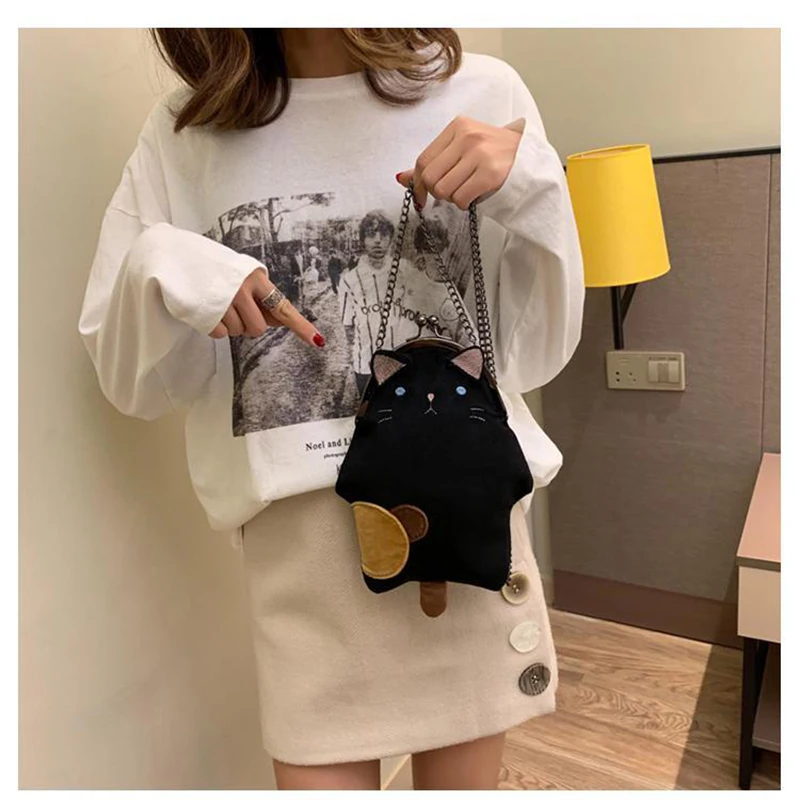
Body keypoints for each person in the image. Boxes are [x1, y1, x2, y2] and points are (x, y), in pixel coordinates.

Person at [78, 28, 584, 791]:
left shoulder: (485, 92)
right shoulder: (185, 133)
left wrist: (535, 185)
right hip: (304, 567)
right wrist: (160, 260)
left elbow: (534, 354)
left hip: (464, 518)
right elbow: (133, 384)